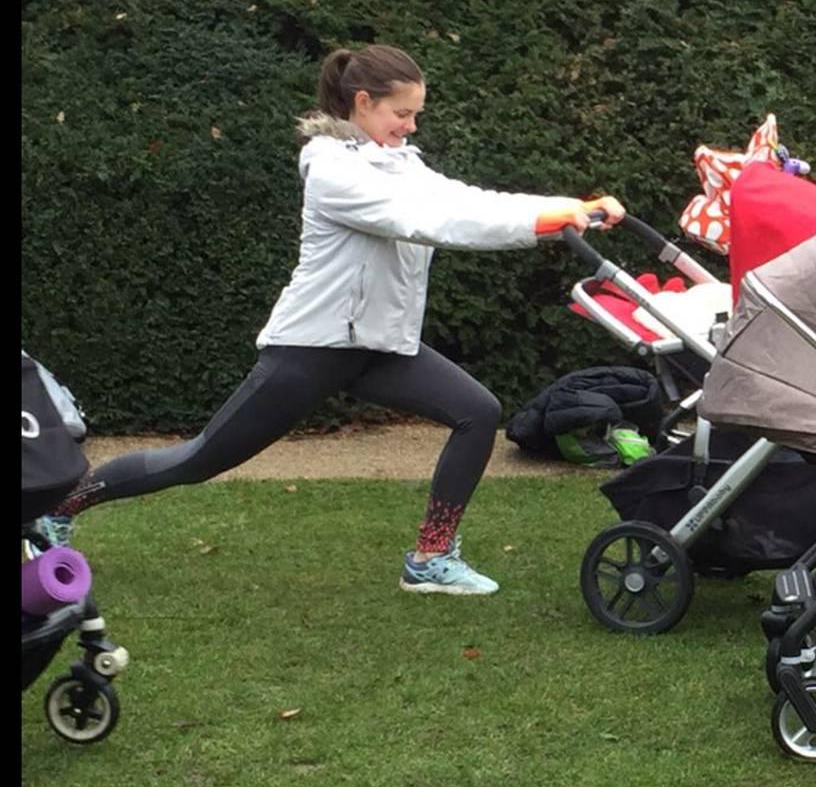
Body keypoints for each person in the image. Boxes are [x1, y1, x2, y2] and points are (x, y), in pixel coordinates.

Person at [32, 44, 624, 597]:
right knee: (199, 459)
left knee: (478, 411)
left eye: (416, 114)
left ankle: (430, 558)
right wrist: (545, 224)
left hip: (380, 345)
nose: (411, 126)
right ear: (362, 103)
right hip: (311, 347)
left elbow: (466, 199)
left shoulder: (399, 163)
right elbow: (426, 222)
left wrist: (566, 207)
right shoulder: (331, 169)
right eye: (402, 113)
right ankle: (60, 505)